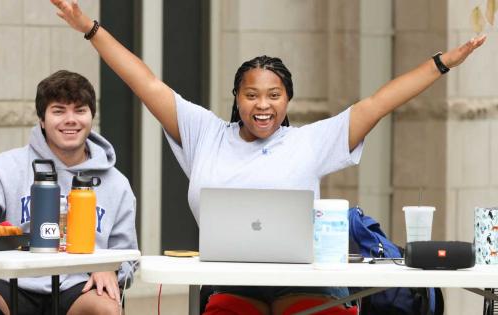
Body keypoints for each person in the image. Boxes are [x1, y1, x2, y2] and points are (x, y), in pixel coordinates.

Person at [50, 1, 486, 314]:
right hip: (232, 287)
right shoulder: (204, 133)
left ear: (288, 99)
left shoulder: (311, 142)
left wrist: (443, 63)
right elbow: (144, 82)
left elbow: (378, 103)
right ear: (236, 99)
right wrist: (90, 28)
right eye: (252, 95)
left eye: (274, 95)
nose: (263, 105)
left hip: (306, 284)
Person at [0, 70, 138, 315]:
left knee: (105, 310)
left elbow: (128, 255)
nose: (70, 119)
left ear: (92, 117)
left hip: (80, 284)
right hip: (12, 281)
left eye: (80, 110)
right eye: (59, 111)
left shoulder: (117, 183)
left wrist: (110, 267)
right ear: (42, 119)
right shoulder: (3, 169)